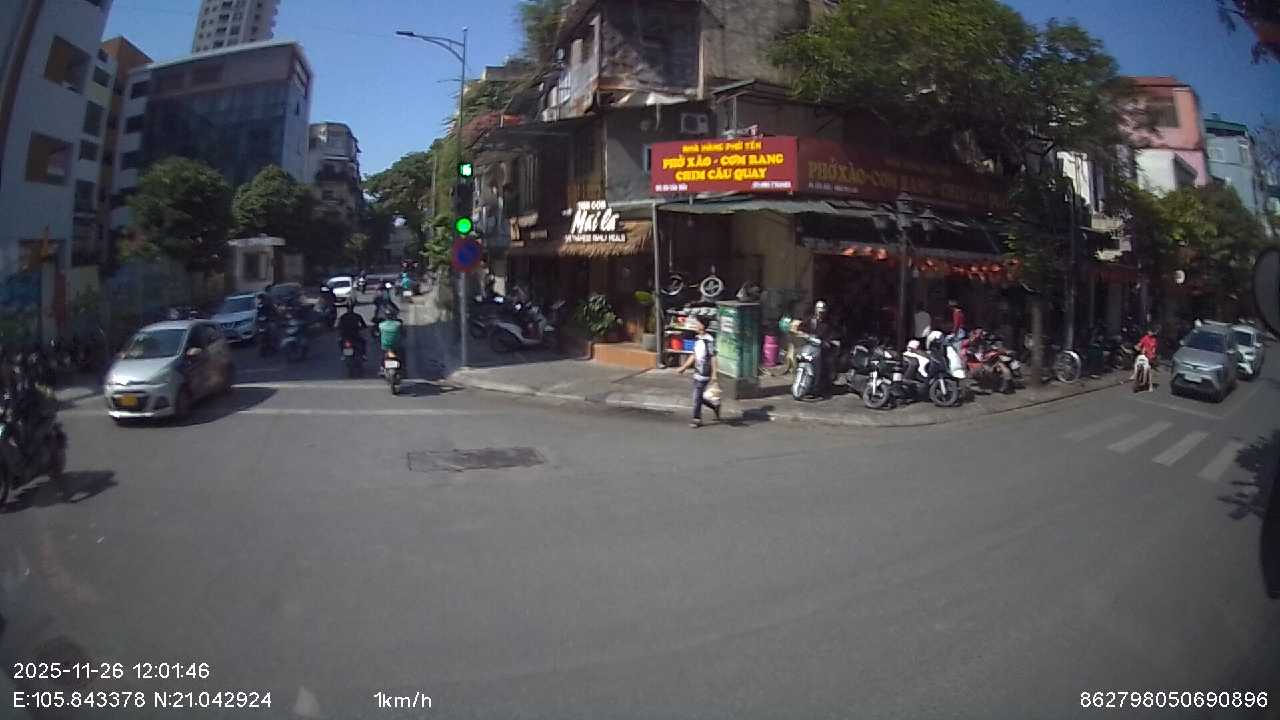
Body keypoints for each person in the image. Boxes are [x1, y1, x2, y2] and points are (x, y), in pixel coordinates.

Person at [677, 315, 721, 427]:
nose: (695, 325)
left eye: (697, 323)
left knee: (696, 396)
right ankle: (714, 406)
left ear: (702, 326)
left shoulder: (709, 340)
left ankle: (696, 418)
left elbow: (713, 357)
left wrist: (714, 374)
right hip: (697, 371)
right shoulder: (697, 338)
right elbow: (694, 355)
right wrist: (684, 367)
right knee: (699, 396)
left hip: (705, 372)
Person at [1132, 326, 1159, 391]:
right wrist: (1137, 346)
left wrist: (1153, 354)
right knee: (1138, 366)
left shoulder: (1154, 340)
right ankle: (1136, 379)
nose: (1149, 332)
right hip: (1143, 355)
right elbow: (1140, 343)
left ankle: (1149, 384)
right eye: (1148, 331)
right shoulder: (1145, 337)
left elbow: (1154, 349)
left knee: (1148, 370)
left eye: (1150, 331)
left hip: (1150, 357)